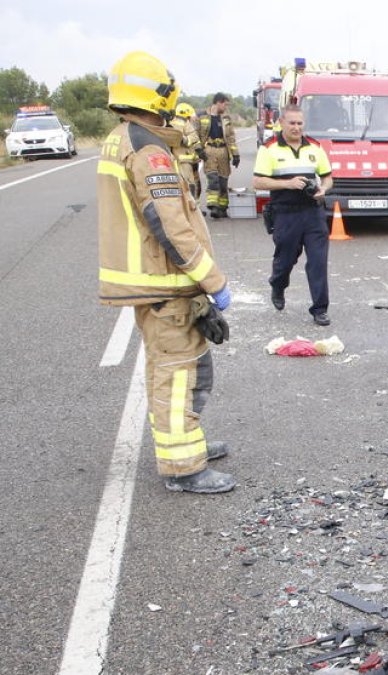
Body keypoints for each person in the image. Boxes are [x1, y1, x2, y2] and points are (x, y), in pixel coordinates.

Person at [98, 51, 236, 494]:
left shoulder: (124, 138)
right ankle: (183, 468)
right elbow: (170, 226)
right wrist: (213, 282)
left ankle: (185, 443)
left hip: (156, 285)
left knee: (174, 369)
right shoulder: (147, 150)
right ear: (158, 94)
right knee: (179, 375)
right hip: (164, 286)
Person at [252, 104, 334, 326]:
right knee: (285, 260)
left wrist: (323, 189)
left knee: (318, 261)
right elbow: (258, 181)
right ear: (281, 123)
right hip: (285, 214)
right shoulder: (269, 149)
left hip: (313, 213)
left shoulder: (315, 147)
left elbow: (328, 177)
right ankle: (278, 285)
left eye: (300, 123)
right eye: (292, 123)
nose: (296, 128)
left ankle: (319, 309)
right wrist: (288, 183)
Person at [197, 92, 240, 219]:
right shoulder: (202, 116)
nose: (226, 108)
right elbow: (196, 134)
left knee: (223, 181)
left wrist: (235, 155)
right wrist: (199, 150)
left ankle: (222, 208)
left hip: (223, 151)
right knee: (213, 179)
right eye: (225, 105)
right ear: (218, 102)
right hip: (209, 150)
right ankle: (213, 206)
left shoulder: (226, 119)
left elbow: (231, 137)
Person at [169, 102, 203, 200]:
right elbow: (192, 138)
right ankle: (192, 210)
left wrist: (199, 152)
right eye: (190, 116)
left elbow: (194, 140)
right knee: (189, 186)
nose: (192, 118)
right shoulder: (182, 124)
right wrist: (186, 140)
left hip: (189, 161)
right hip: (184, 162)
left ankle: (195, 208)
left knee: (194, 186)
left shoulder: (174, 123)